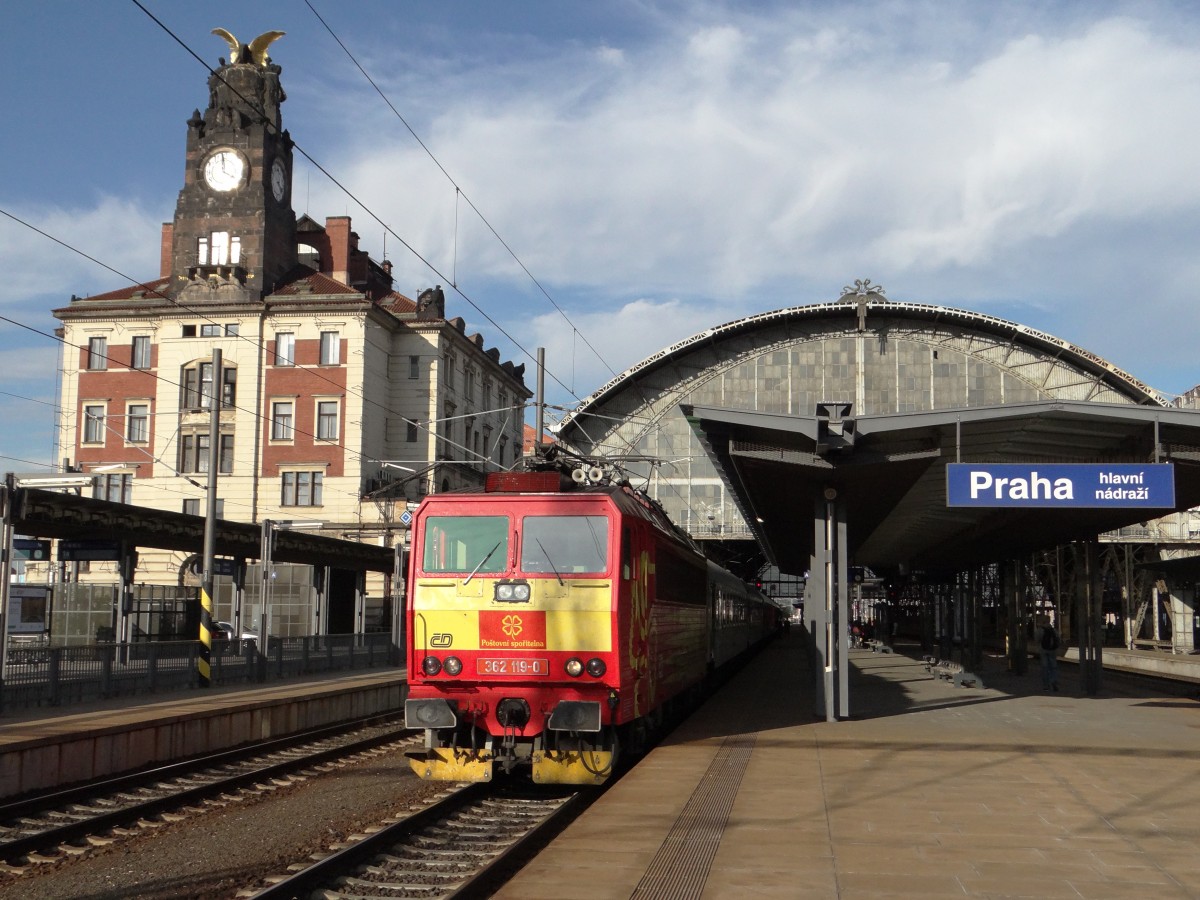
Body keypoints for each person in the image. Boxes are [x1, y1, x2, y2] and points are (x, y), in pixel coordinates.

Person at [1039, 619, 1061, 691]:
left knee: (1045, 667)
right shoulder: (1053, 630)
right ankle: (1053, 680)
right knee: (1053, 667)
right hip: (1053, 651)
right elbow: (1058, 638)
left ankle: (1046, 685)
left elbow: (1037, 639)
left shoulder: (1040, 630)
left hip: (1044, 650)